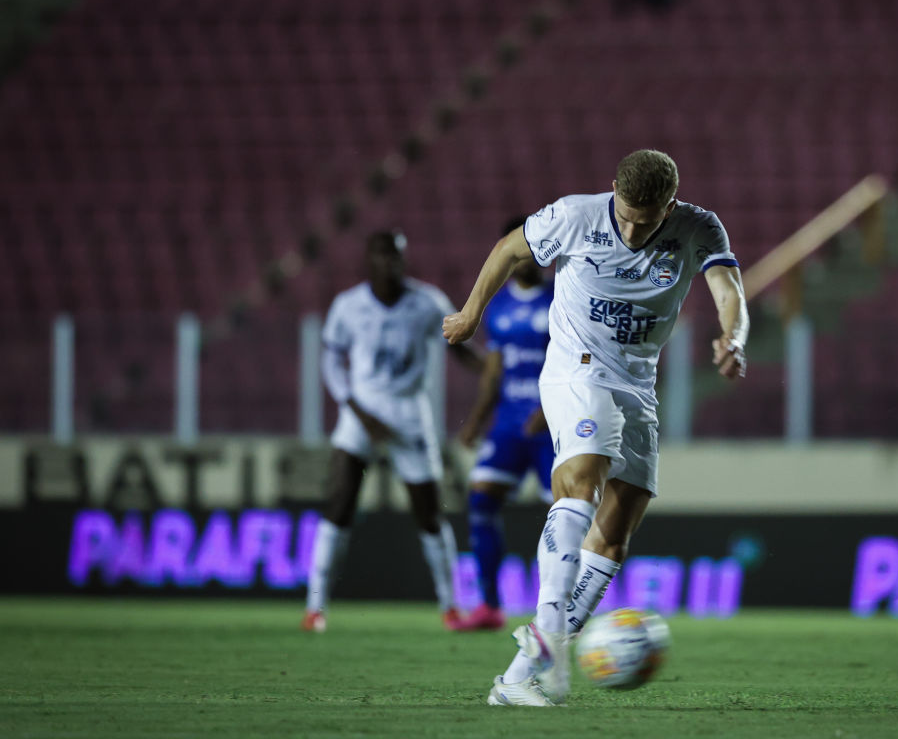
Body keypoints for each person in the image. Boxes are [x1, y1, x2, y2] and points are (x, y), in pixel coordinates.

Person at [443, 149, 749, 705]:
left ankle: (517, 677)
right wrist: (470, 314)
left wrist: (734, 338)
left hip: (638, 385)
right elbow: (511, 248)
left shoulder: (698, 227)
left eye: (647, 219)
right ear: (613, 190)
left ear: (670, 205)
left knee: (616, 530)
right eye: (626, 214)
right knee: (581, 482)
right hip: (576, 370)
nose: (633, 229)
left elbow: (729, 289)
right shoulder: (576, 216)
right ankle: (551, 634)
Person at [303, 230, 482, 632]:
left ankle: (450, 607)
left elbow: (458, 346)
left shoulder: (427, 301)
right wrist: (354, 407)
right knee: (339, 506)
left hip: (409, 411)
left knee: (429, 513)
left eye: (397, 256)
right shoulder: (348, 306)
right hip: (361, 410)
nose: (391, 263)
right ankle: (315, 607)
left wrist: (490, 370)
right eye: (383, 256)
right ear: (369, 260)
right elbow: (331, 362)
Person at [455, 217, 556, 632]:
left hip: (553, 427)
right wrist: (476, 420)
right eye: (522, 248)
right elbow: (494, 372)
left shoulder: (561, 298)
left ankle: (560, 609)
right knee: (480, 498)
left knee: (566, 513)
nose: (529, 256)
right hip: (509, 425)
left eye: (537, 248)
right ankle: (490, 606)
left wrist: (551, 409)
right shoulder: (498, 306)